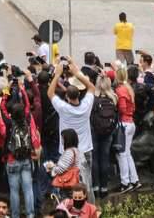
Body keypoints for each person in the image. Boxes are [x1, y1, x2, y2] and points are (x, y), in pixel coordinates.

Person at [47, 60, 96, 203]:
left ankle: (72, 209)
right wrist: (77, 74)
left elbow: (50, 93)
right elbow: (92, 88)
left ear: (67, 97)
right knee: (87, 184)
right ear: (79, 95)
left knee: (69, 186)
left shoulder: (63, 108)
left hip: (67, 152)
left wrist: (57, 75)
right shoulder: (86, 105)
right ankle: (90, 210)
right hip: (86, 150)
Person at [112, 66, 139, 193]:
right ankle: (134, 180)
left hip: (123, 124)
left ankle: (125, 182)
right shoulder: (129, 88)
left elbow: (122, 108)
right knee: (127, 153)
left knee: (121, 154)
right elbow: (132, 108)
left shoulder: (120, 90)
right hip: (131, 122)